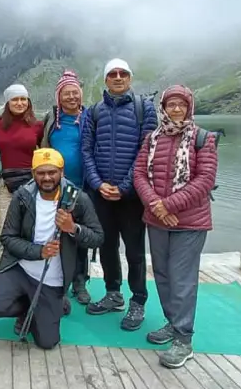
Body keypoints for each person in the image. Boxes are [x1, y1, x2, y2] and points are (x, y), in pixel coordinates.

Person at [0, 148, 104, 350]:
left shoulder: (77, 199)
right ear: (33, 173)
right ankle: (29, 306)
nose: (47, 178)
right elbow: (7, 238)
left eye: (52, 172)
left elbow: (98, 238)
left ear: (62, 172)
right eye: (41, 172)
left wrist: (73, 229)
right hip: (21, 269)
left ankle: (55, 303)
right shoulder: (23, 196)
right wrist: (39, 251)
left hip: (52, 279)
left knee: (47, 342)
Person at [133, 85, 218, 369]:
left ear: (189, 107)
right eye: (171, 104)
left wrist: (167, 206)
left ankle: (184, 340)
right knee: (162, 275)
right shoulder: (152, 138)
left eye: (182, 104)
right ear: (164, 108)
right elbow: (139, 174)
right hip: (157, 220)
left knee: (182, 279)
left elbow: (204, 180)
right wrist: (156, 205)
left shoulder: (203, 139)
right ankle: (172, 323)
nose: (177, 109)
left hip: (190, 222)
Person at [81, 58, 158, 331]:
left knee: (135, 251)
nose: (117, 77)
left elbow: (146, 152)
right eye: (112, 73)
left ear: (129, 78)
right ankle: (113, 293)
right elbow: (86, 150)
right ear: (105, 79)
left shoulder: (144, 109)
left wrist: (125, 186)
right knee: (106, 245)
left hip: (132, 196)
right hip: (100, 193)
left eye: (122, 73)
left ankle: (138, 300)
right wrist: (97, 183)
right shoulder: (94, 112)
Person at [39, 69, 92, 305]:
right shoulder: (51, 120)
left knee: (78, 233)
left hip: (84, 186)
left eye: (75, 93)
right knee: (55, 232)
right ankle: (58, 279)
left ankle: (80, 281)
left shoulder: (90, 118)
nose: (71, 97)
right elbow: (42, 149)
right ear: (58, 97)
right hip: (56, 187)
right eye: (66, 94)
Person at [0, 84, 43, 227]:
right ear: (8, 103)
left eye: (23, 99)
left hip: (33, 185)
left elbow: (45, 153)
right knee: (6, 229)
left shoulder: (37, 126)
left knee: (30, 229)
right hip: (7, 186)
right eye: (15, 99)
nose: (20, 103)